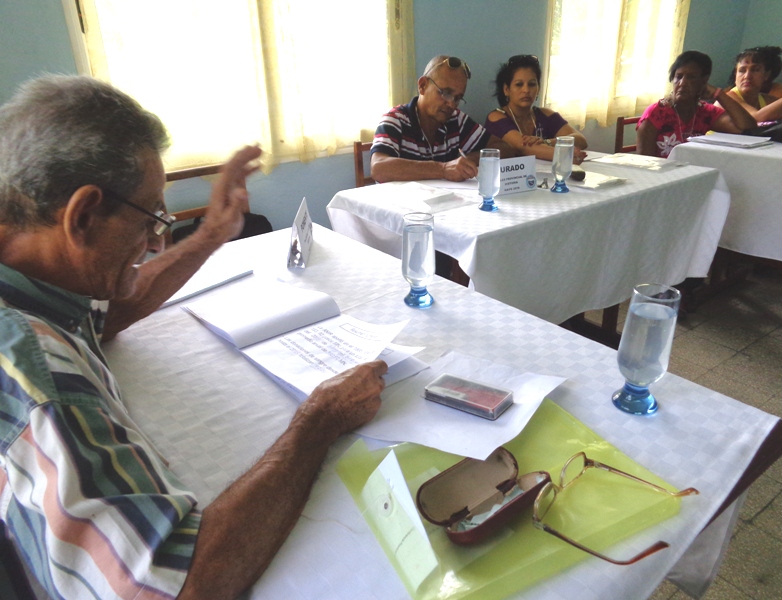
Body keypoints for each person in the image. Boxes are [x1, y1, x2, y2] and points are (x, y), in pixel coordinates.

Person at [0, 75, 387, 599]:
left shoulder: (29, 261)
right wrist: (321, 419)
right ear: (83, 215)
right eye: (150, 218)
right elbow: (177, 588)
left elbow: (104, 313)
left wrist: (210, 234)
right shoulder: (39, 373)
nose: (157, 237)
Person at [370, 55, 512, 183]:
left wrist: (466, 161)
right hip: (402, 207)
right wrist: (443, 169)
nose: (451, 104)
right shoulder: (395, 120)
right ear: (422, 85)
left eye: (457, 98)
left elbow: (505, 148)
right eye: (446, 93)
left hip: (441, 206)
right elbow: (379, 168)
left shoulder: (455, 119)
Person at [637, 50, 757, 158]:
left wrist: (719, 94)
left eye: (691, 77)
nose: (682, 83)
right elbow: (643, 161)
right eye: (678, 77)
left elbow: (747, 127)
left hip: (693, 174)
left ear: (704, 81)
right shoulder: (656, 113)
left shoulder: (706, 112)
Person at [484, 54, 587, 163]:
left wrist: (547, 142)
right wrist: (565, 155)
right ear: (506, 89)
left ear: (538, 88)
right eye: (519, 84)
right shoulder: (496, 117)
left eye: (532, 84)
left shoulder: (545, 114)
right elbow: (523, 147)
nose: (526, 90)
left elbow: (580, 140)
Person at [726, 48, 782, 122]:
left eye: (755, 70)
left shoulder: (766, 100)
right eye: (742, 71)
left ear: (766, 75)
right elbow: (754, 118)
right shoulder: (727, 98)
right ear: (735, 75)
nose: (747, 76)